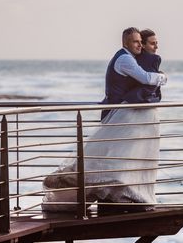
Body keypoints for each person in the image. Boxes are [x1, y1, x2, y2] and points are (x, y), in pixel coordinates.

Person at [42, 27, 166, 214]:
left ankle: (121, 195)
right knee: (110, 158)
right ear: (125, 43)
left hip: (121, 112)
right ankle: (98, 191)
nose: (139, 45)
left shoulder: (130, 58)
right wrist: (163, 77)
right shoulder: (125, 59)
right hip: (120, 113)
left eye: (141, 41)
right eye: (136, 41)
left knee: (117, 158)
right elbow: (146, 78)